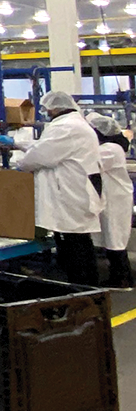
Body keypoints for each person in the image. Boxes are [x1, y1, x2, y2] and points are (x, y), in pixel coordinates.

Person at [0, 92, 103, 286]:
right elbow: (45, 146)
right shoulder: (71, 125)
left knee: (75, 249)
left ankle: (82, 291)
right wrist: (16, 143)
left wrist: (20, 165)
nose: (46, 112)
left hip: (70, 195)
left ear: (54, 108)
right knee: (78, 245)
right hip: (73, 191)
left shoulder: (66, 127)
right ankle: (87, 290)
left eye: (47, 109)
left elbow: (42, 155)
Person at [86, 114, 133, 288]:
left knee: (115, 240)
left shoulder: (110, 149)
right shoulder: (110, 147)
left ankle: (122, 280)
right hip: (113, 197)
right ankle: (121, 277)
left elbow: (87, 162)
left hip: (115, 199)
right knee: (113, 239)